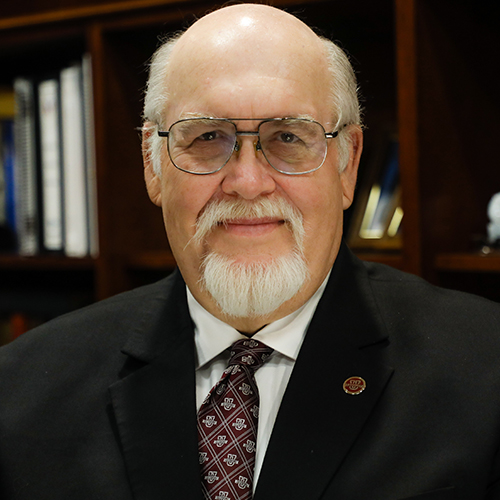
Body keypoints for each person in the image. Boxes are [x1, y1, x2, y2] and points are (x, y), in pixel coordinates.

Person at [1, 4, 500, 500]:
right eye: (207, 137)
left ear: (347, 166)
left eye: (287, 137)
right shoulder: (21, 391)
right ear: (153, 169)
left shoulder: (485, 371)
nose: (247, 182)